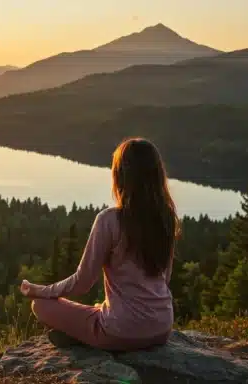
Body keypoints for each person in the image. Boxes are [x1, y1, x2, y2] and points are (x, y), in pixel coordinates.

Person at [20, 138, 179, 351]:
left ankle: (85, 338)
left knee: (40, 305)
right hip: (161, 329)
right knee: (97, 311)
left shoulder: (110, 220)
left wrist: (42, 290)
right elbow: (164, 279)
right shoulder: (166, 218)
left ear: (121, 176)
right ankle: (87, 333)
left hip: (120, 331)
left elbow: (82, 283)